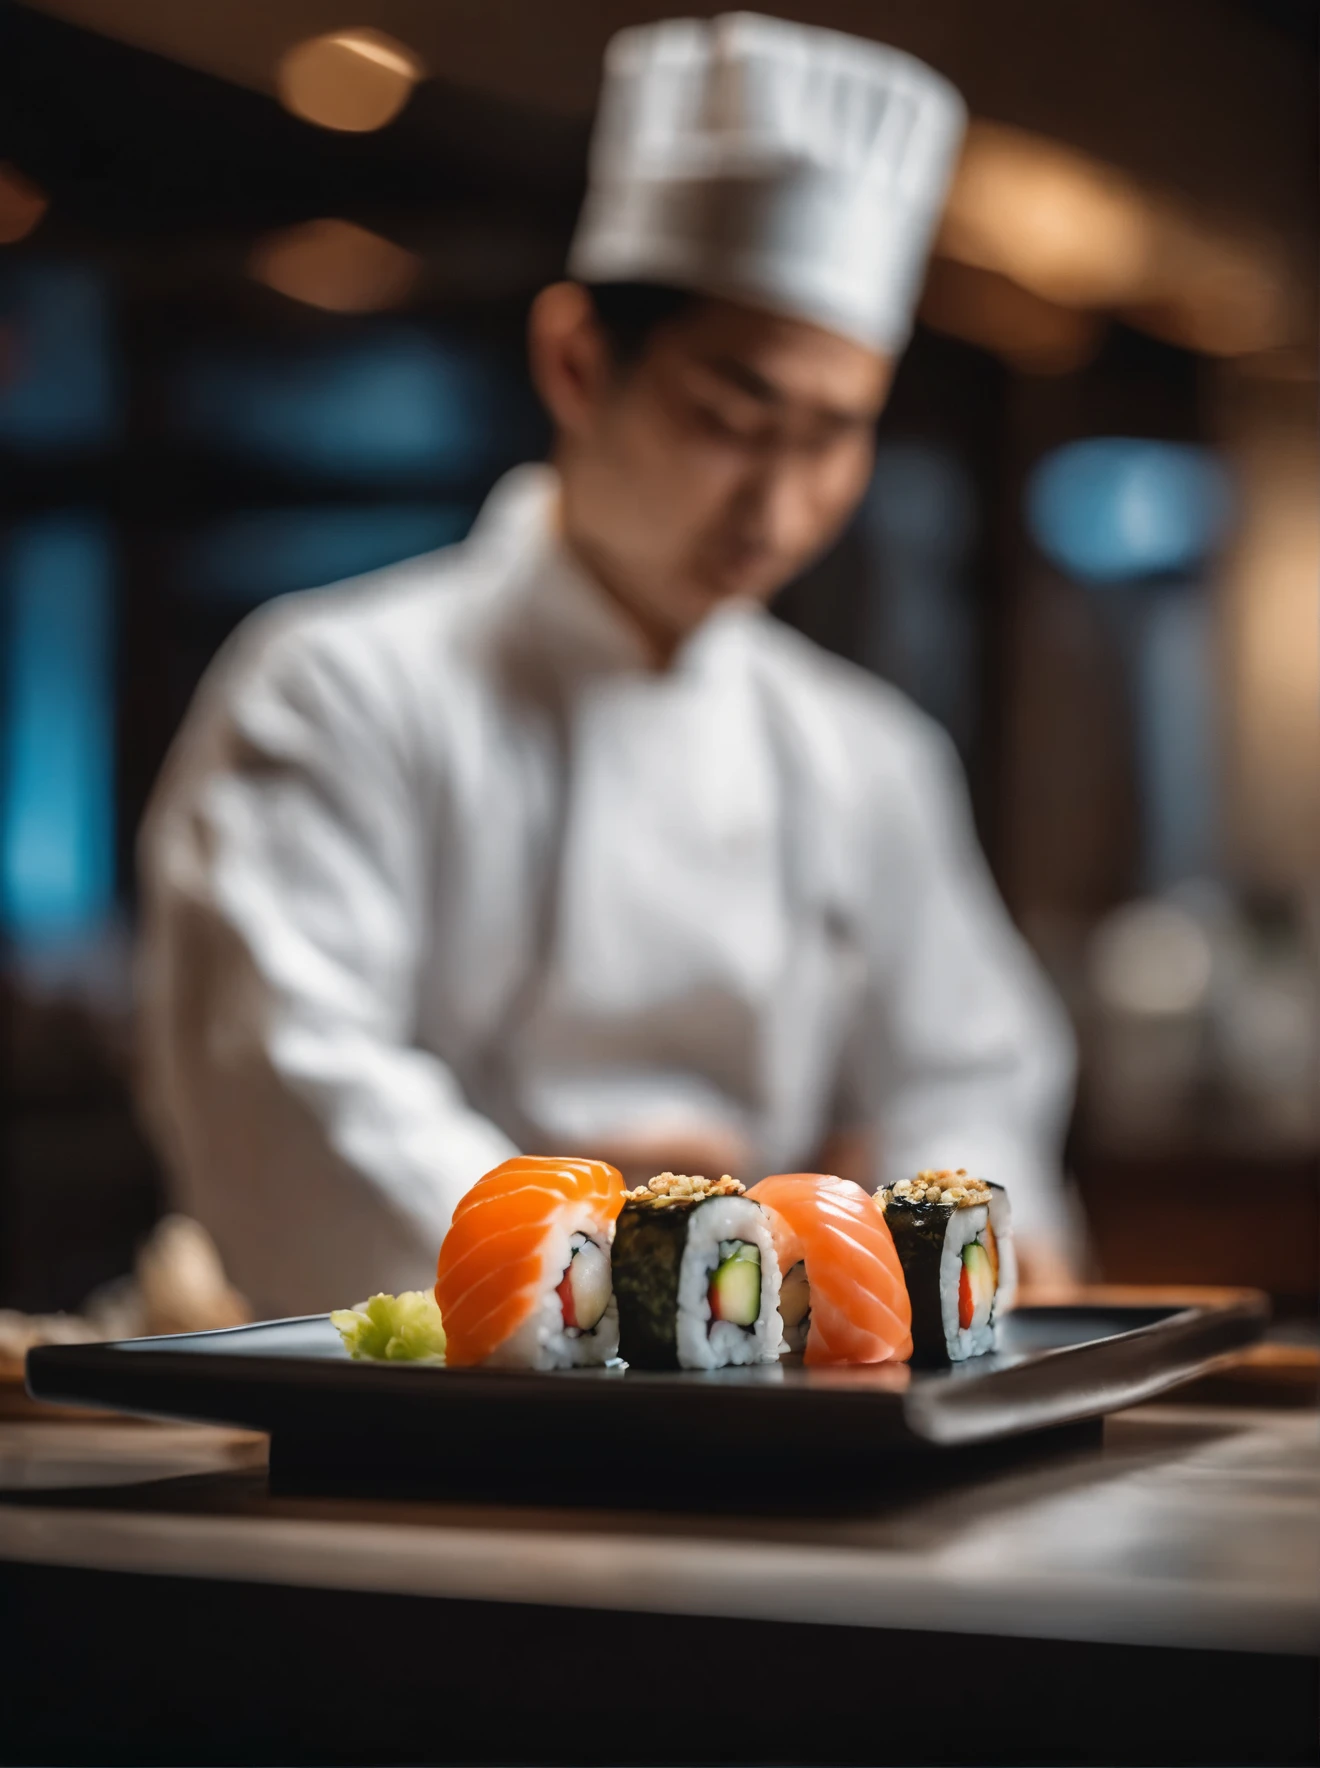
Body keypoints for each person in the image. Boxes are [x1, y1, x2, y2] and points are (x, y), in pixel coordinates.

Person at [137, 13, 1080, 1318]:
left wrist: (912, 1241)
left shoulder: (867, 754)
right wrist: (632, 1255)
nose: (780, 505)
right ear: (578, 361)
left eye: (835, 437)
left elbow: (973, 1076)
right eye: (731, 421)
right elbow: (289, 1084)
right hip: (414, 1411)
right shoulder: (334, 687)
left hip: (780, 1411)